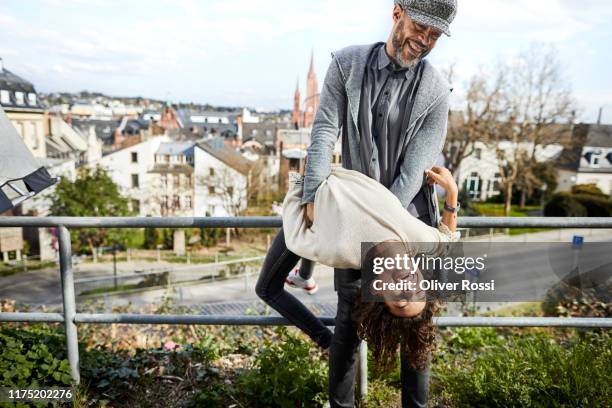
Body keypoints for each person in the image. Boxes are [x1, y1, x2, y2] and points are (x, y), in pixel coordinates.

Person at [257, 1, 457, 406]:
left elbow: (412, 173)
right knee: (349, 322)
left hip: (402, 216)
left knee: (412, 329)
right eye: (421, 27)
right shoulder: (346, 63)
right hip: (343, 202)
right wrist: (313, 196)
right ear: (397, 12)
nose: (425, 40)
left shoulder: (436, 90)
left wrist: (370, 230)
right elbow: (325, 130)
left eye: (435, 36)